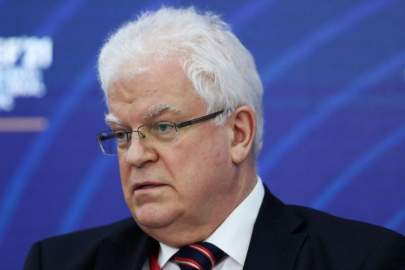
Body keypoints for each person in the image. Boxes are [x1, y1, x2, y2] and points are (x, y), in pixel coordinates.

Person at [24, 6, 405, 270]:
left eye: (163, 127)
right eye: (122, 134)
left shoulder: (363, 260)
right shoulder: (57, 262)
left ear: (238, 133)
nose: (136, 155)